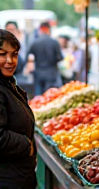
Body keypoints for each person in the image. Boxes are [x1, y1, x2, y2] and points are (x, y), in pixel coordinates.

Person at [0, 29, 37, 189]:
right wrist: (26, 145)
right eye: (2, 54)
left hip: (17, 176)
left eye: (14, 54)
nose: (10, 60)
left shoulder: (8, 83)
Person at [26, 22, 63, 96]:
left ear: (40, 30)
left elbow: (29, 57)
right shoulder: (54, 42)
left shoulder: (35, 43)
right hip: (52, 73)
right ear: (48, 29)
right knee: (50, 96)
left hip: (38, 73)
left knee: (38, 96)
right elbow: (59, 58)